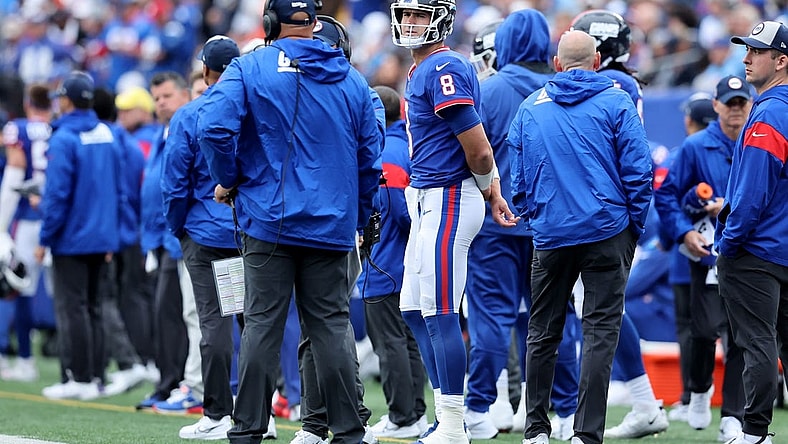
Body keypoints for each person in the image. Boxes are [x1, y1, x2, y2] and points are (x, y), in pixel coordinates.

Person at [196, 0, 382, 441]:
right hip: (332, 224)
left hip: (268, 219)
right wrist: (357, 213)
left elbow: (212, 128)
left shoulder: (249, 66)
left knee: (262, 325)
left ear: (268, 23)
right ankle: (350, 432)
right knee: (332, 326)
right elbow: (369, 158)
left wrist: (231, 179)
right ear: (316, 24)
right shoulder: (353, 80)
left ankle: (248, 431)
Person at [508, 30, 652, 444]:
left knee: (543, 330)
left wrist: (537, 219)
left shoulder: (530, 108)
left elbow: (518, 179)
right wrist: (631, 229)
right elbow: (639, 173)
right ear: (596, 62)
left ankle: (536, 429)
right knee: (599, 332)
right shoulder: (616, 100)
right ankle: (586, 434)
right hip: (607, 230)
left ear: (556, 64)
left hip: (552, 233)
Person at [389, 0, 515, 442]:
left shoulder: (445, 66)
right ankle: (449, 414)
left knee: (441, 312)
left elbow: (478, 148)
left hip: (450, 197)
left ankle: (456, 422)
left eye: (419, 15)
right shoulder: (423, 67)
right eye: (405, 14)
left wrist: (490, 189)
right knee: (412, 309)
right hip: (428, 197)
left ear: (441, 18)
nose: (409, 23)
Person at [161, 35, 274, 440]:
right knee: (251, 321)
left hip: (206, 232)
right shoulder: (256, 109)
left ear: (206, 71)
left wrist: (178, 227)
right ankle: (263, 413)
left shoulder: (191, 114)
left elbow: (174, 183)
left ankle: (217, 412)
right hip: (247, 228)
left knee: (214, 323)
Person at [570, 11, 669, 439]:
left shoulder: (614, 86)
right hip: (600, 209)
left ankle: (642, 400)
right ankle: (643, 400)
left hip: (599, 212)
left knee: (599, 309)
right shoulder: (621, 83)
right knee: (598, 308)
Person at [462, 9, 557, 440]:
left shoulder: (489, 89)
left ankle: (479, 408)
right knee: (553, 321)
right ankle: (560, 411)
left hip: (496, 223)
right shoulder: (562, 90)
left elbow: (470, 155)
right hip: (549, 225)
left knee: (492, 320)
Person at [290, 15, 385, 444]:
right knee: (324, 325)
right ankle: (323, 418)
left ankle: (332, 419)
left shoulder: (355, 94)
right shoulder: (356, 92)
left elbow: (369, 161)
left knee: (326, 325)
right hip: (334, 221)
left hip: (328, 223)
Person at [655, 75, 750, 441]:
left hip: (745, 251)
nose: (736, 110)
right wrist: (686, 231)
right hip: (706, 250)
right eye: (730, 103)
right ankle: (698, 390)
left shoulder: (757, 140)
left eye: (741, 103)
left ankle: (733, 415)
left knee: (740, 335)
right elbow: (666, 196)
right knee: (703, 332)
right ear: (716, 106)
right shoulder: (696, 147)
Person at [716, 20, 788, 444]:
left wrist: (729, 243)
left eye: (756, 52)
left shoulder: (770, 113)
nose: (746, 58)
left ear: (781, 61)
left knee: (757, 344)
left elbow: (752, 193)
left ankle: (755, 432)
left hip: (757, 250)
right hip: (782, 248)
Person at [36, 71, 124, 400]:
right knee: (95, 307)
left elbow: (57, 195)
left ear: (68, 100)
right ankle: (96, 377)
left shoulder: (62, 138)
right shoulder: (106, 132)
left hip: (71, 238)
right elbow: (118, 188)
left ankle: (79, 377)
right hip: (102, 236)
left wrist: (45, 238)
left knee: (73, 307)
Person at [363, 83, 428, 440]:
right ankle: (414, 412)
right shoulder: (406, 146)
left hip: (386, 261)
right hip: (407, 262)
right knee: (407, 340)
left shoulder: (384, 152)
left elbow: (397, 211)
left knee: (389, 343)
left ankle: (402, 416)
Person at [135, 72, 197, 413]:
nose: (161, 103)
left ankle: (179, 383)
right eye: (156, 97)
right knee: (169, 315)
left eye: (167, 96)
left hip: (182, 237)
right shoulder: (164, 132)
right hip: (162, 237)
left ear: (184, 96)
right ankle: (171, 381)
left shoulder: (187, 126)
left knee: (182, 316)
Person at [662, 92, 717, 423]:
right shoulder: (724, 149)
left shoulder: (683, 152)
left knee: (692, 329)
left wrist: (670, 240)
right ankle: (701, 394)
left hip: (689, 258)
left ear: (689, 120)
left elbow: (665, 206)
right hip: (713, 253)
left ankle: (692, 394)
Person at [0, 84, 51, 382]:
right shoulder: (57, 128)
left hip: (26, 219)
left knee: (17, 287)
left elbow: (15, 174)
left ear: (27, 103)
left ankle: (25, 359)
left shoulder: (17, 129)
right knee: (70, 294)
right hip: (57, 218)